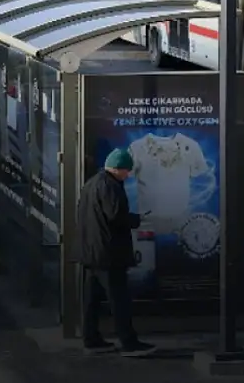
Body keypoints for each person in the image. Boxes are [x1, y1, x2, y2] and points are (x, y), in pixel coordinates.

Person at [74, 148, 157, 357]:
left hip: (91, 252)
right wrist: (137, 219)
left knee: (91, 300)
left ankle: (91, 339)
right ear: (118, 169)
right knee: (119, 299)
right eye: (126, 170)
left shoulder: (91, 184)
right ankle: (129, 343)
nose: (128, 175)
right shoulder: (110, 186)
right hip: (108, 253)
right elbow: (116, 216)